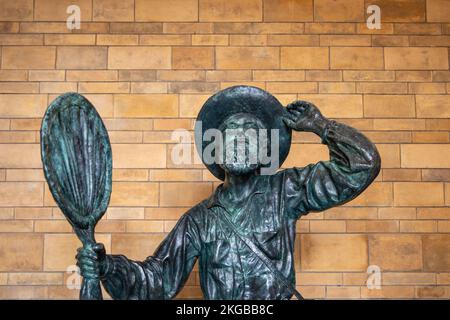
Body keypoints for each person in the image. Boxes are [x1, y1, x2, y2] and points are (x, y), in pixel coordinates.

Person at [76, 86, 381, 300]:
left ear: (265, 151)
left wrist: (321, 126)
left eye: (251, 133)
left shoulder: (286, 191)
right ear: (216, 151)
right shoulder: (198, 221)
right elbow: (157, 281)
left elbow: (362, 166)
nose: (239, 139)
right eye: (230, 133)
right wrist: (107, 267)